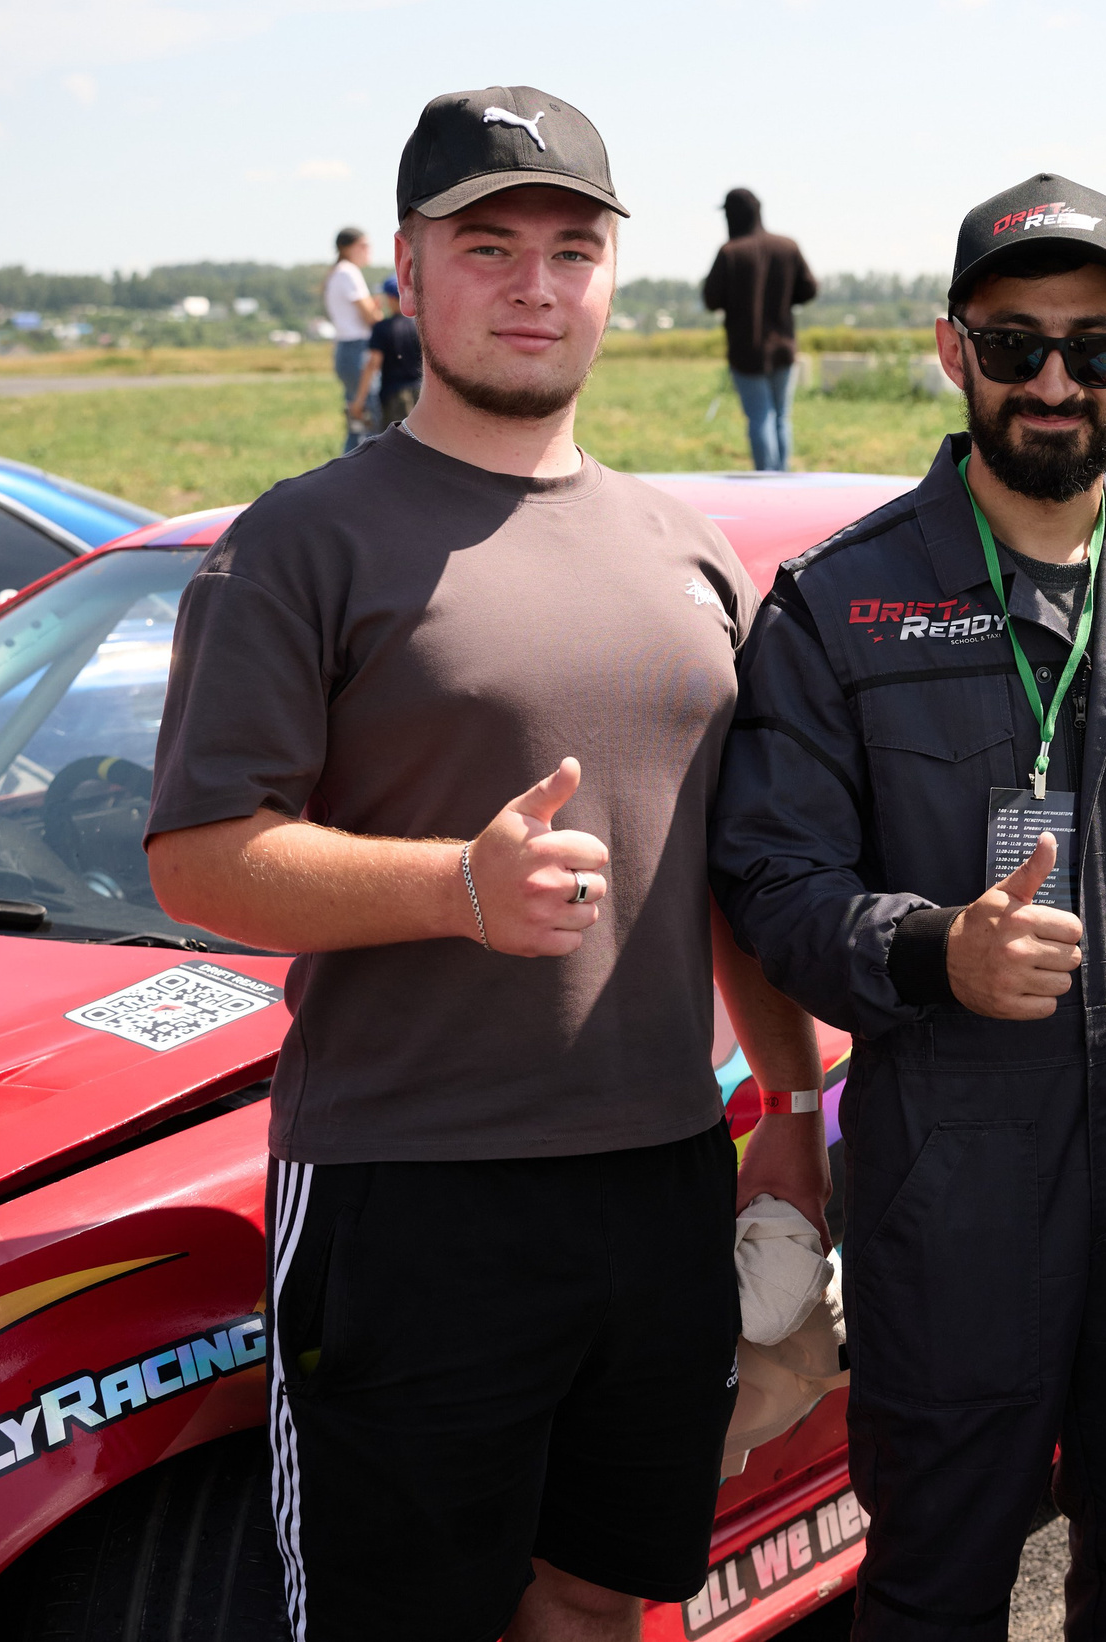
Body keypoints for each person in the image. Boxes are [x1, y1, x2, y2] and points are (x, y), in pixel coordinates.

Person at [145, 85, 830, 1642]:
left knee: (599, 1595)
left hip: (659, 1174)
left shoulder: (691, 554)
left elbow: (725, 875)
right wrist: (456, 887)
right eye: (488, 244)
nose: (534, 282)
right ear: (406, 267)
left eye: (572, 247)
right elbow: (200, 856)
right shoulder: (300, 543)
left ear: (612, 277)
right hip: (410, 1187)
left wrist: (785, 1105)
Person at [711, 172, 1106, 1640]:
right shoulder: (838, 606)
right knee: (933, 1591)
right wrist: (933, 950)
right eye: (1014, 343)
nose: (1055, 381)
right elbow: (774, 886)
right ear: (951, 348)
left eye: (1094, 346)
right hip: (951, 1210)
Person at [701, 188, 816, 471]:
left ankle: (767, 481)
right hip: (783, 348)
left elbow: (710, 299)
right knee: (780, 418)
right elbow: (810, 288)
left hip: (746, 351)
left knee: (760, 418)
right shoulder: (788, 247)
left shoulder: (730, 253)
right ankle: (781, 477)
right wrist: (784, 297)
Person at [324, 226, 386, 452]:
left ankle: (348, 471)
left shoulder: (337, 273)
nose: (368, 250)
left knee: (357, 419)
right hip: (357, 349)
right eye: (364, 245)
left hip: (345, 349)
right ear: (348, 248)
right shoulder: (349, 272)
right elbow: (371, 317)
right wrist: (377, 312)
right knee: (369, 417)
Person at [351, 272, 423, 432]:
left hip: (394, 396)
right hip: (422, 394)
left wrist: (359, 400)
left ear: (391, 298)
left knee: (398, 447)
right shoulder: (420, 325)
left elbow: (373, 364)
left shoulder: (382, 328)